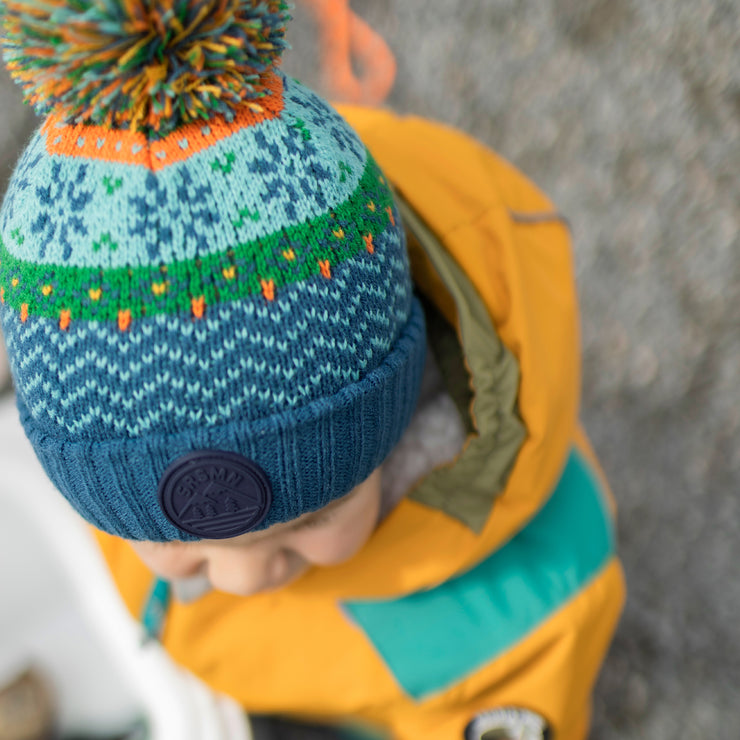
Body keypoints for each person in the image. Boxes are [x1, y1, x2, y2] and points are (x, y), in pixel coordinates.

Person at [0, 2, 625, 739]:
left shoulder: (523, 618)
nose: (239, 578)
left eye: (313, 518)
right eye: (174, 540)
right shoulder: (104, 414)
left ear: (391, 427)